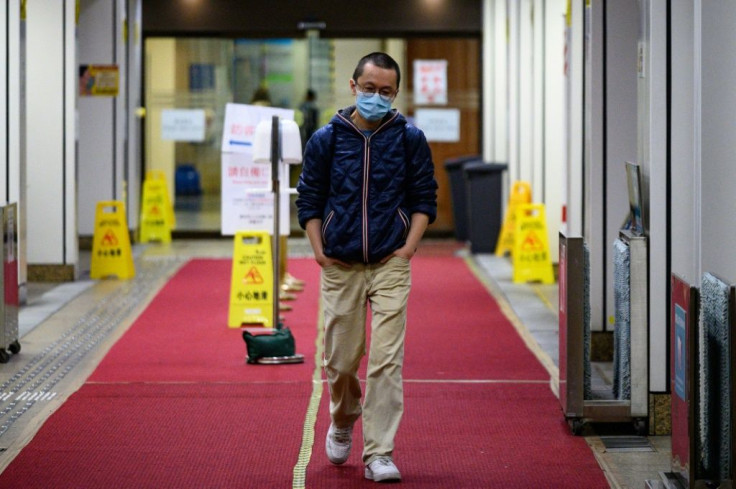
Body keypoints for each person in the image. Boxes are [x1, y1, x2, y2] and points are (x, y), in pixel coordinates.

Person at [296, 52, 438, 483]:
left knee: (386, 361)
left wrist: (407, 250)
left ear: (396, 94)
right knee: (340, 362)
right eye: (370, 88)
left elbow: (424, 199)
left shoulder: (409, 138)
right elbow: (309, 199)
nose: (377, 97)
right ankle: (343, 418)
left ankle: (379, 452)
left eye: (387, 91)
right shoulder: (326, 139)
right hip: (340, 264)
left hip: (390, 262)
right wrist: (320, 252)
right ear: (353, 85)